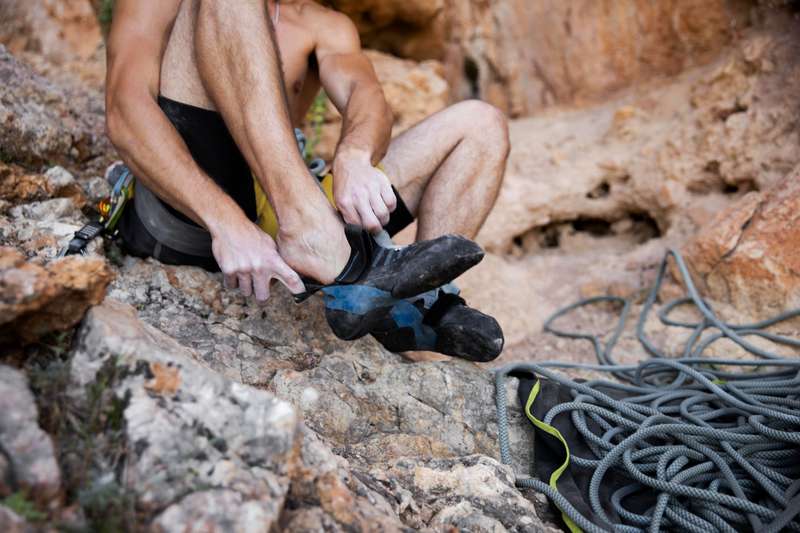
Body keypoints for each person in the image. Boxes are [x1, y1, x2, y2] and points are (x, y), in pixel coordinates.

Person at [104, 0, 511, 361]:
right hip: (190, 209)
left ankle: (416, 305)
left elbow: (364, 94)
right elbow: (125, 110)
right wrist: (226, 222)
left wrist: (354, 154)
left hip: (282, 206)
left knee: (480, 125)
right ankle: (320, 242)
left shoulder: (321, 24)